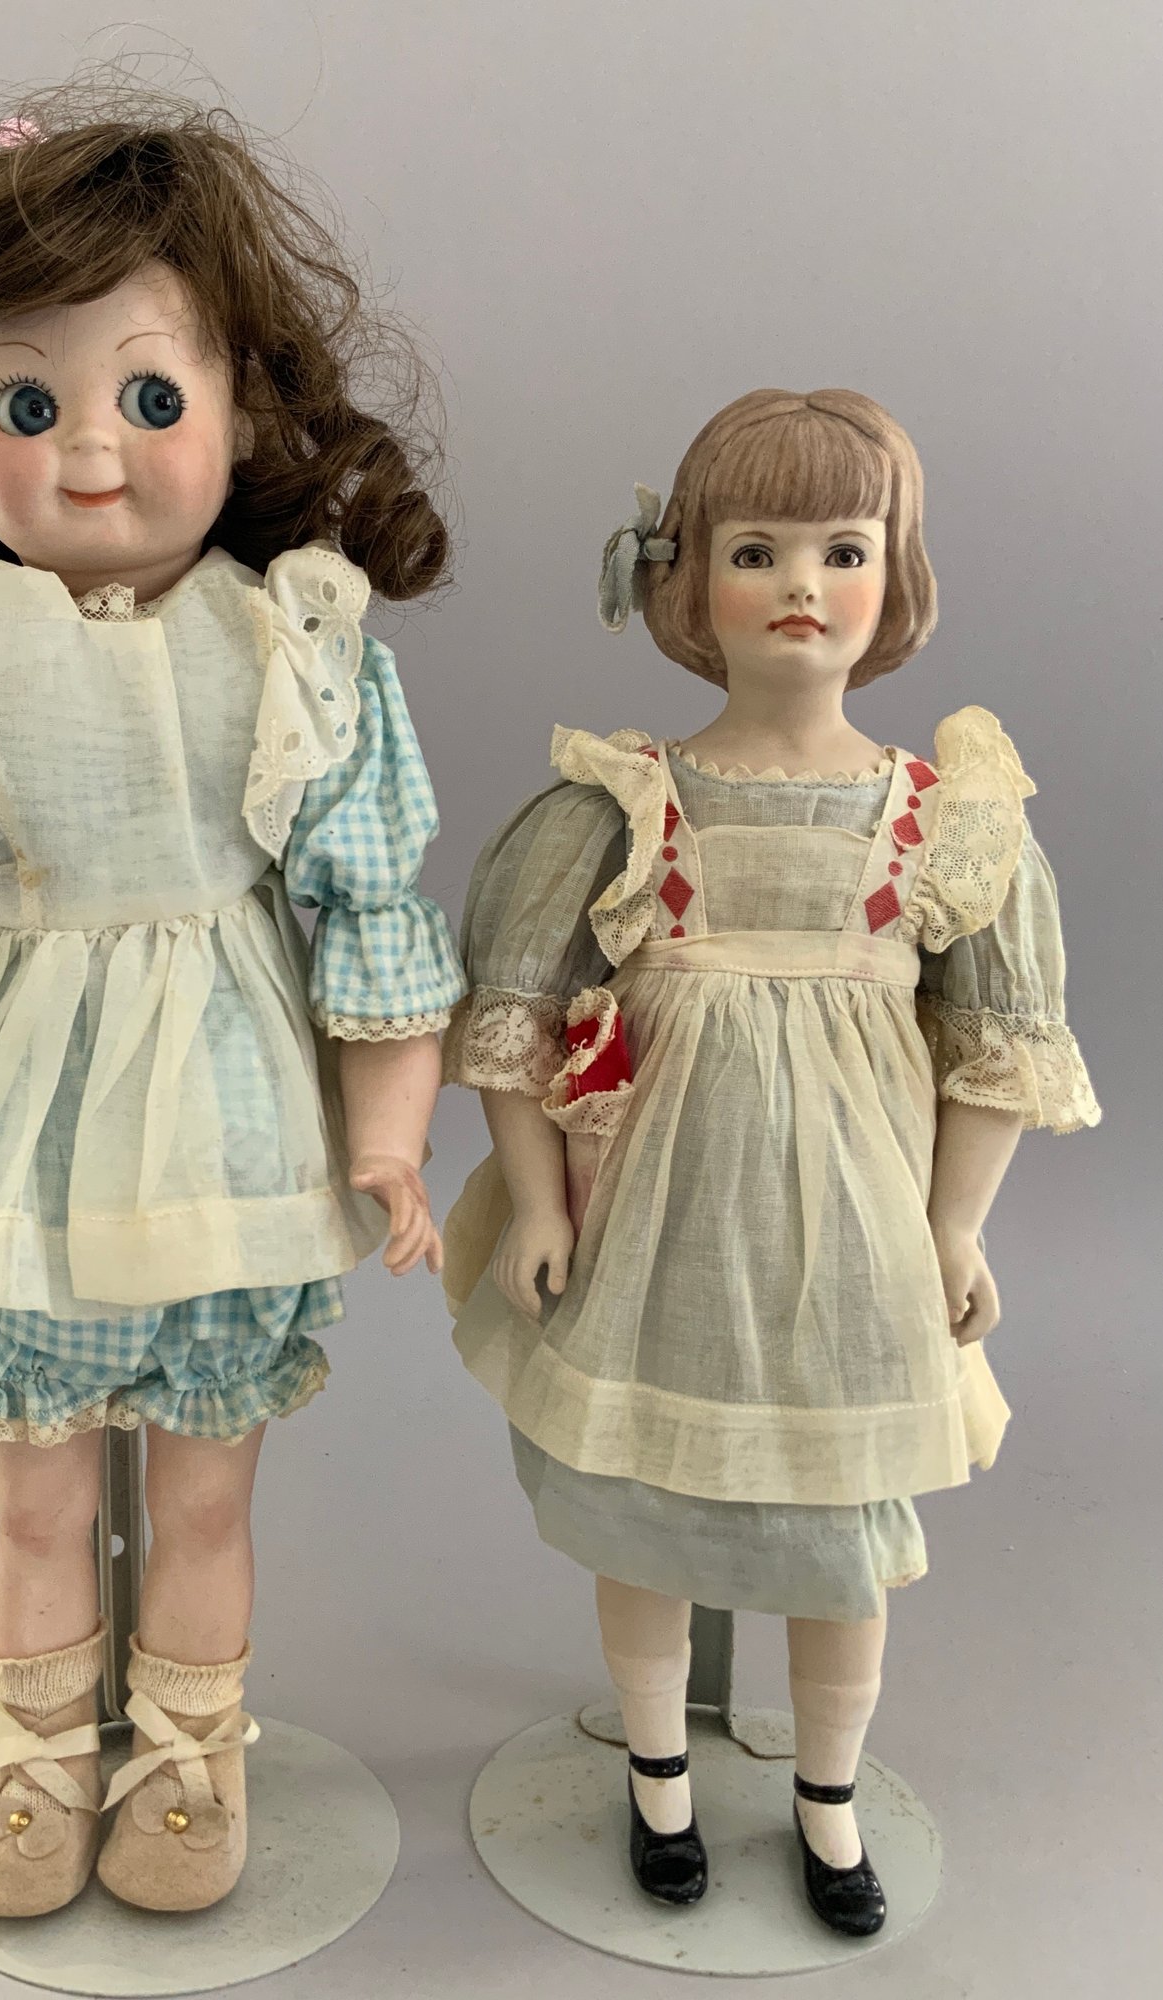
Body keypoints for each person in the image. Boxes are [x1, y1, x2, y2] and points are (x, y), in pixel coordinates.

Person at [0, 86, 463, 1920]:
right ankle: (42, 1761)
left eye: (148, 398)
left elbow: (366, 902)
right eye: (24, 404)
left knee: (204, 1495)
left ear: (244, 407)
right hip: (15, 1135)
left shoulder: (292, 643)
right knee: (37, 1496)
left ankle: (193, 1763)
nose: (85, 455)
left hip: (228, 1116)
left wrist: (388, 1137)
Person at [443, 389, 1099, 1936]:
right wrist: (534, 1198)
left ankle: (826, 1796)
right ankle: (658, 1776)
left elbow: (992, 1048)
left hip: (851, 1228)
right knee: (643, 1506)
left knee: (836, 1528)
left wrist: (952, 1229)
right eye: (754, 551)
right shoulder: (624, 802)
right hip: (655, 1213)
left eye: (842, 549)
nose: (801, 584)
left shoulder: (942, 818)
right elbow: (518, 1016)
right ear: (681, 578)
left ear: (894, 576)